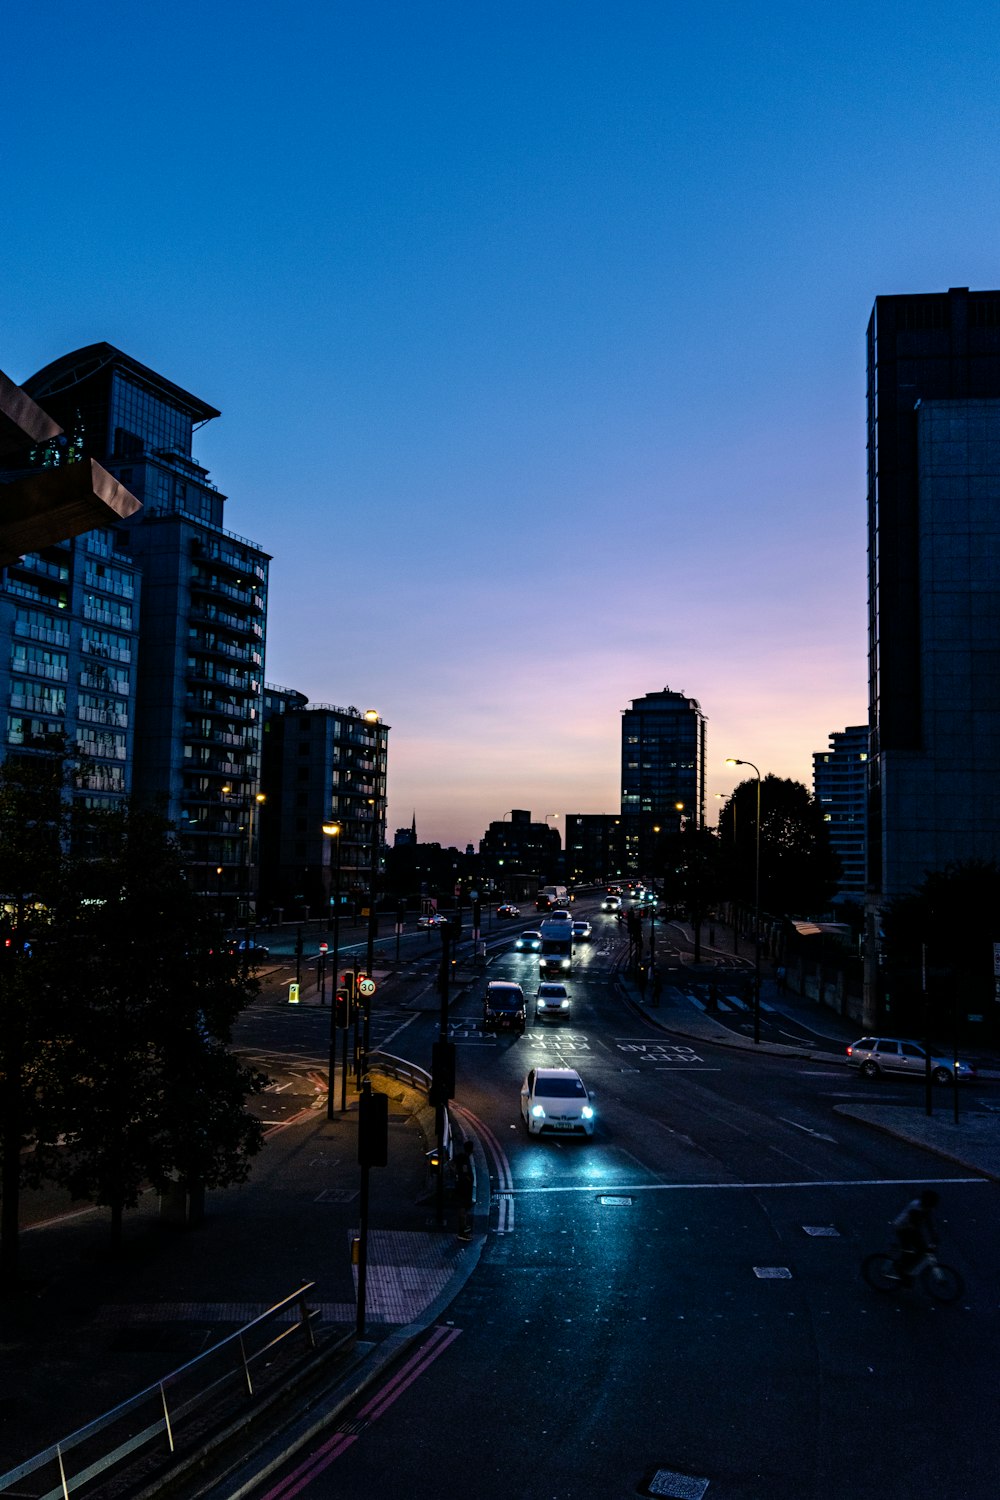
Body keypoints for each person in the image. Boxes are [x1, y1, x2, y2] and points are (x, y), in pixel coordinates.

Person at [892, 1189, 940, 1281]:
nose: (932, 1207)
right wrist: (931, 1238)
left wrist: (934, 1235)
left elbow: (928, 1222)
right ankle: (902, 1270)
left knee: (920, 1249)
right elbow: (913, 1226)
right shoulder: (916, 1208)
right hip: (903, 1228)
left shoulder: (925, 1207)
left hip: (911, 1227)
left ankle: (906, 1268)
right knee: (911, 1250)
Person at [453, 1139, 474, 1241]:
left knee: (463, 1210)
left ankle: (464, 1228)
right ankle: (461, 1233)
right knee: (462, 1210)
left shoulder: (461, 1157)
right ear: (471, 1150)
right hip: (463, 1189)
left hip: (461, 1188)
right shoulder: (465, 1160)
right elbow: (465, 1175)